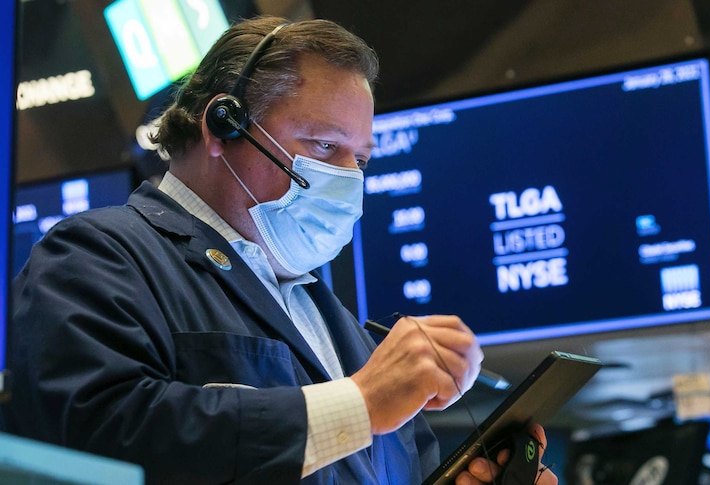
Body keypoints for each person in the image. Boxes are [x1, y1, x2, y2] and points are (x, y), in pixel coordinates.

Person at [1, 16, 557, 485]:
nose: (348, 180)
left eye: (359, 159)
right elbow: (95, 440)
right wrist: (360, 404)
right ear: (222, 127)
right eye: (323, 145)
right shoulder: (96, 255)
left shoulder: (342, 328)